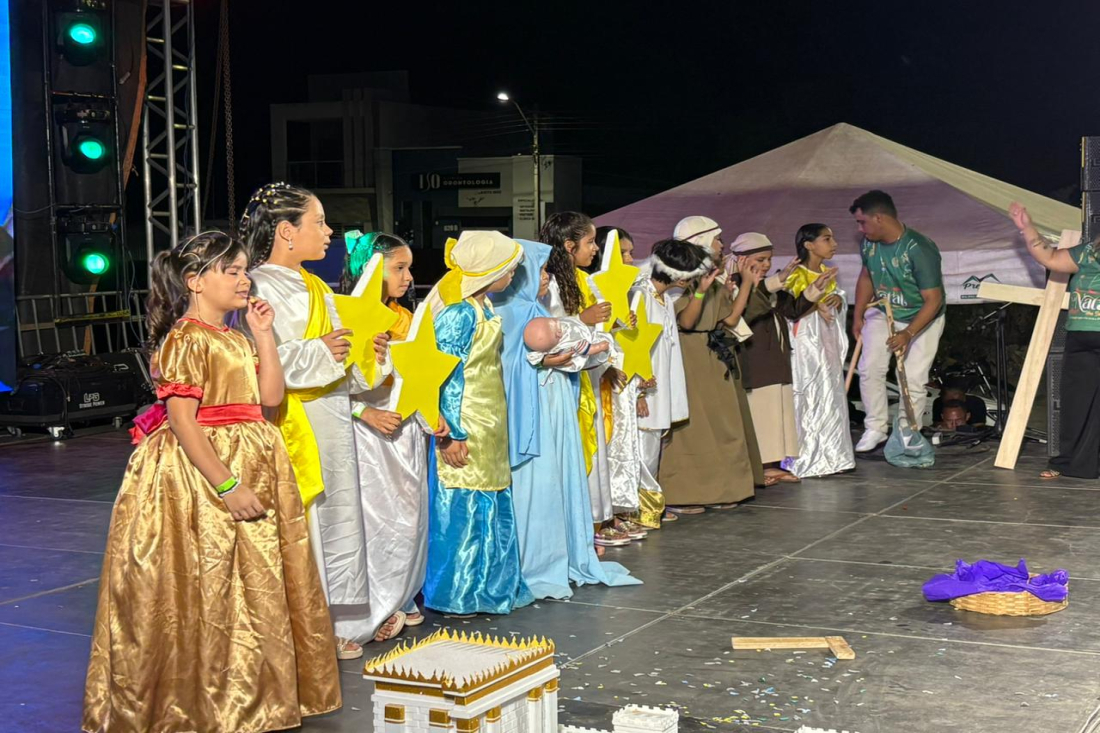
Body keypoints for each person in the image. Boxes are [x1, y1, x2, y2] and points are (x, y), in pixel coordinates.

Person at [83, 232, 341, 733]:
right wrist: (227, 485)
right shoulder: (186, 338)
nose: (245, 280)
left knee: (251, 579)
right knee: (206, 579)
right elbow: (182, 421)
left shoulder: (237, 337)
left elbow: (271, 398)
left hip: (252, 456)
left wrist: (263, 335)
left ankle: (245, 691)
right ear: (194, 281)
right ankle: (198, 697)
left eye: (245, 271)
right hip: (202, 472)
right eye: (232, 271)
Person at [241, 182, 382, 658]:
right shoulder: (256, 286)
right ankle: (294, 625)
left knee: (335, 517)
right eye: (319, 222)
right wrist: (319, 351)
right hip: (291, 420)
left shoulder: (318, 286)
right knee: (302, 519)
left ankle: (323, 619)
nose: (328, 232)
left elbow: (346, 363)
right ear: (286, 231)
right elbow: (254, 361)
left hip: (332, 417)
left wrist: (368, 352)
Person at [493, 238, 641, 598]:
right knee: (538, 481)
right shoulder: (507, 311)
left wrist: (584, 350)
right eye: (540, 270)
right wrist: (542, 360)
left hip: (557, 400)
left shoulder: (539, 310)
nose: (547, 277)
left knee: (561, 473)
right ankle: (537, 559)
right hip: (531, 407)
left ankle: (566, 550)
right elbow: (503, 364)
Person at [334, 231, 447, 642]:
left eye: (408, 268)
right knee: (375, 521)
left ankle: (400, 594)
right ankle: (370, 605)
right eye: (399, 268)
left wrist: (433, 413)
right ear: (371, 269)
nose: (408, 277)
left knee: (409, 519)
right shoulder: (343, 315)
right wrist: (365, 412)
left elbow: (417, 374)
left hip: (406, 435)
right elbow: (327, 385)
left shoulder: (406, 319)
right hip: (369, 437)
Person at [421, 230, 534, 615]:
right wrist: (450, 433)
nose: (513, 275)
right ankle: (458, 591)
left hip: (489, 424)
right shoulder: (459, 313)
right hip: (466, 422)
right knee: (464, 507)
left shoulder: (483, 308)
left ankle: (489, 588)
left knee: (490, 499)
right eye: (508, 268)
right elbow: (446, 375)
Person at [541, 212, 637, 547]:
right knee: (572, 451)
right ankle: (574, 528)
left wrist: (616, 323)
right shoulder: (549, 283)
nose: (595, 249)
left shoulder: (582, 280)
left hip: (586, 378)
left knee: (592, 449)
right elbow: (547, 330)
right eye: (590, 242)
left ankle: (594, 520)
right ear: (569, 246)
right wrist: (583, 318)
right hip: (559, 379)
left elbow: (597, 328)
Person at [662, 216, 764, 511]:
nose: (721, 244)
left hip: (710, 353)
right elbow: (686, 321)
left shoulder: (713, 275)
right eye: (717, 239)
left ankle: (722, 489)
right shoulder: (681, 276)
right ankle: (685, 493)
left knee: (722, 422)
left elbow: (729, 319)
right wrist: (701, 291)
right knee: (693, 427)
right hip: (688, 354)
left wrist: (746, 284)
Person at [851, 190, 946, 452]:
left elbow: (933, 299)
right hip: (884, 310)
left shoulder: (919, 249)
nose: (860, 229)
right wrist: (858, 315)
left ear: (879, 218)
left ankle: (906, 431)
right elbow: (866, 277)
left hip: (922, 316)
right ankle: (875, 428)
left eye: (862, 222)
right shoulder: (869, 243)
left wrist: (908, 333)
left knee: (912, 378)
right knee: (870, 368)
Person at [1011, 202, 1100, 479]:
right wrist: (1028, 228)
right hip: (1082, 340)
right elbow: (1049, 257)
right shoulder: (1087, 253)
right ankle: (1070, 463)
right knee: (1076, 404)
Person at [632, 238, 708, 526]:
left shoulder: (663, 299)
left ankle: (647, 508)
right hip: (645, 388)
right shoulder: (640, 296)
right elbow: (632, 345)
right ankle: (641, 511)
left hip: (659, 386)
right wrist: (638, 392)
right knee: (642, 449)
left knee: (652, 447)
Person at [784, 224, 856, 478]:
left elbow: (835, 302)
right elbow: (790, 312)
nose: (833, 244)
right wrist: (815, 304)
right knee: (807, 396)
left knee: (831, 395)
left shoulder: (828, 273)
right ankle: (805, 459)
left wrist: (838, 300)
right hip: (805, 346)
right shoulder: (794, 275)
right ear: (809, 245)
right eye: (827, 239)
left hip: (826, 343)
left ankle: (834, 456)